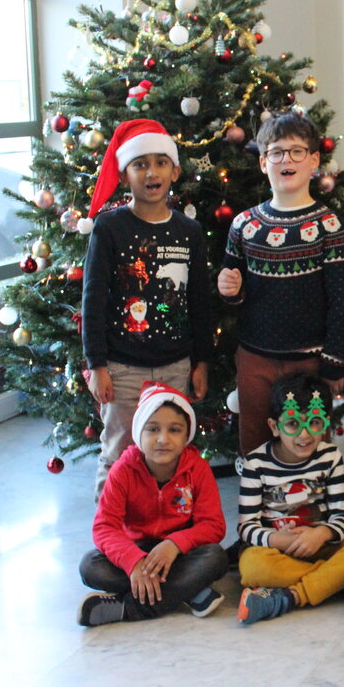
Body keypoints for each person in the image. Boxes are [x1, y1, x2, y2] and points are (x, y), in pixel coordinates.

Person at [81, 118, 213, 499]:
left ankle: (165, 522)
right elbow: (93, 299)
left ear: (175, 171)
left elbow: (200, 301)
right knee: (118, 451)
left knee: (170, 454)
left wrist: (202, 361)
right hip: (122, 369)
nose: (151, 173)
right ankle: (109, 527)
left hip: (175, 366)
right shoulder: (109, 228)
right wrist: (97, 365)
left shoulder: (189, 232)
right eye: (140, 164)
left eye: (160, 162)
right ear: (125, 175)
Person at [217, 112, 344, 455]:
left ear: (314, 160)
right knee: (255, 447)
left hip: (309, 363)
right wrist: (230, 291)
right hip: (255, 359)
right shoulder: (244, 224)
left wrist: (334, 363)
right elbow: (233, 289)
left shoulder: (330, 226)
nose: (287, 160)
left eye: (297, 151)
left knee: (309, 451)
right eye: (277, 152)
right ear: (263, 162)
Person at [77, 383, 228, 626]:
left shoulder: (198, 469)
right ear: (139, 433)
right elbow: (105, 527)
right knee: (90, 567)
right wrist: (133, 562)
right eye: (153, 429)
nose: (163, 439)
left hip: (179, 555)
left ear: (187, 435)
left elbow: (213, 526)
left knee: (215, 558)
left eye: (174, 430)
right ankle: (188, 590)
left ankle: (128, 609)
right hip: (136, 550)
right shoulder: (122, 470)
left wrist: (174, 544)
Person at [234, 373, 344, 624]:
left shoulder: (330, 457)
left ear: (325, 424)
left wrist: (321, 533)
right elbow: (247, 527)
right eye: (293, 424)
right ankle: (339, 581)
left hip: (323, 546)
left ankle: (293, 595)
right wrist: (276, 539)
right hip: (279, 551)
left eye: (315, 422)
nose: (305, 434)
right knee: (253, 567)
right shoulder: (256, 464)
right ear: (274, 427)